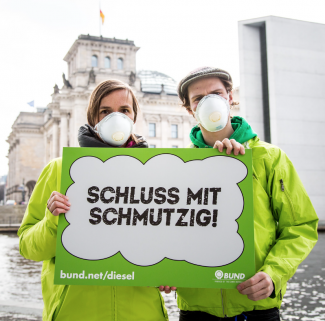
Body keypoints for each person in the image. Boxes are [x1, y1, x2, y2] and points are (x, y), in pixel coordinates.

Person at [160, 67, 318, 321]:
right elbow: (161, 229)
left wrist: (274, 274)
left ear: (230, 97)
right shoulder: (175, 166)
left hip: (257, 309)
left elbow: (300, 226)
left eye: (216, 93)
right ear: (190, 109)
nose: (209, 102)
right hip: (197, 312)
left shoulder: (270, 157)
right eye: (199, 99)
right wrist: (163, 269)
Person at [18, 79, 169, 321]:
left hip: (142, 312)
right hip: (75, 312)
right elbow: (28, 247)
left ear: (134, 117)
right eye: (105, 112)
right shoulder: (59, 169)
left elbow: (170, 241)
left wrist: (170, 272)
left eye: (124, 110)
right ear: (93, 119)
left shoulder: (158, 173)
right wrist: (52, 221)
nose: (115, 118)